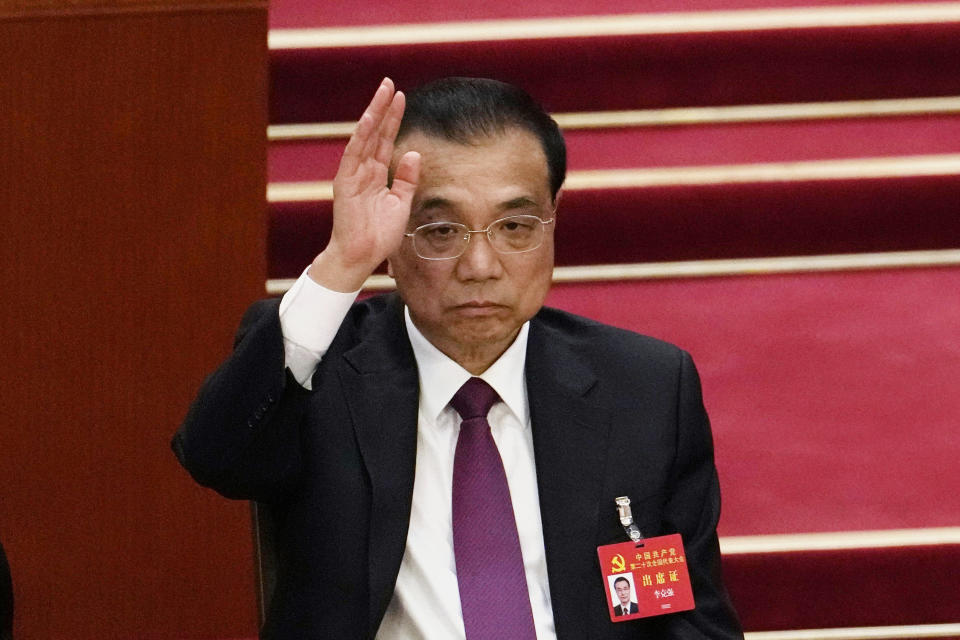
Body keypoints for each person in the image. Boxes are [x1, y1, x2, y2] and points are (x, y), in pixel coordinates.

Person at [173, 76, 742, 639]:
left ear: (553, 221)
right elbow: (215, 456)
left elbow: (686, 617)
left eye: (515, 227)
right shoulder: (321, 369)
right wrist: (343, 261)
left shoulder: (644, 386)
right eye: (441, 231)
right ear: (393, 238)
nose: (480, 266)